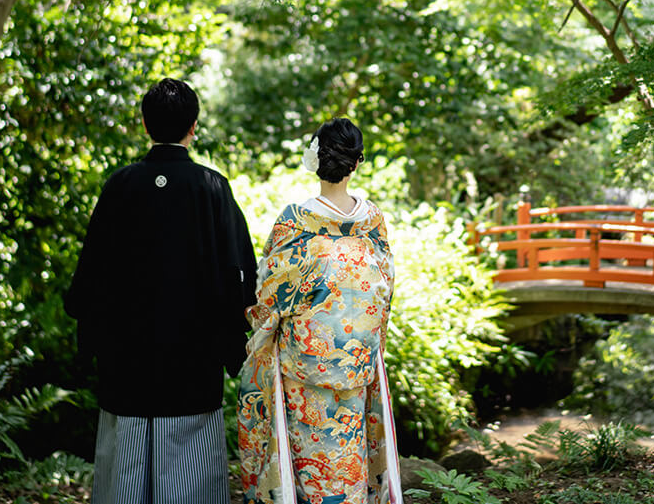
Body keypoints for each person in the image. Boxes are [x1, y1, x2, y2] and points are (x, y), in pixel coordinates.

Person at [64, 78, 257, 504]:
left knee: (123, 481)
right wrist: (232, 339)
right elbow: (240, 274)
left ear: (146, 126)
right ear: (193, 126)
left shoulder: (120, 185)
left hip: (126, 363)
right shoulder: (211, 187)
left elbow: (90, 277)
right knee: (191, 481)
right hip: (193, 361)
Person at [238, 118, 403, 504]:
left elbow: (270, 289)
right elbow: (385, 285)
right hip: (357, 358)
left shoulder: (296, 220)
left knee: (310, 459)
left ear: (316, 157)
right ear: (357, 162)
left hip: (305, 361)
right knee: (349, 446)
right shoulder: (371, 220)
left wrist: (264, 325)